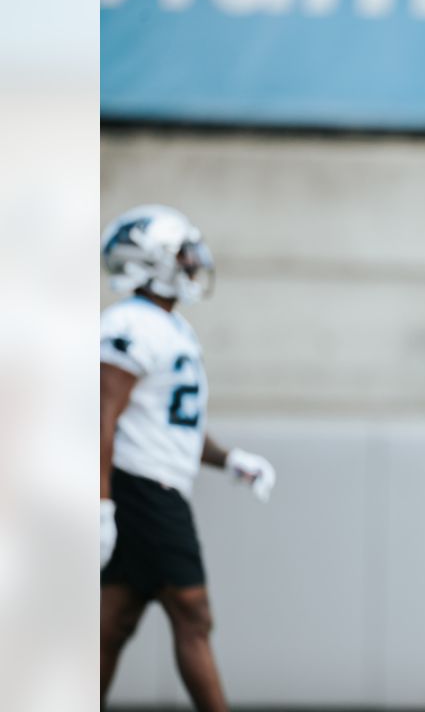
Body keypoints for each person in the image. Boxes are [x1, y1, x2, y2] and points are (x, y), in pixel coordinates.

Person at [99, 204, 277, 711]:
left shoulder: (170, 327)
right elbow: (101, 417)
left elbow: (176, 425)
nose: (195, 261)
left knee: (114, 621)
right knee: (193, 614)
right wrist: (102, 503)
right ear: (150, 260)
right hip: (141, 489)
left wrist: (231, 459)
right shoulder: (129, 323)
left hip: (152, 485)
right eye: (182, 252)